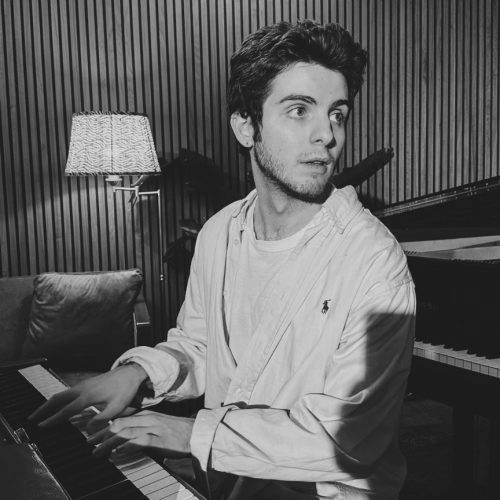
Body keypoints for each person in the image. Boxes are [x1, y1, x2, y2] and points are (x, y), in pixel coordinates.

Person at [31, 20, 415, 499]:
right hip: (225, 485)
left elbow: (348, 439)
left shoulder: (376, 264)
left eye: (337, 114)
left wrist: (189, 433)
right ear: (245, 126)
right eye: (299, 110)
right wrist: (138, 373)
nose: (327, 135)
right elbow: (199, 344)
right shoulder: (218, 233)